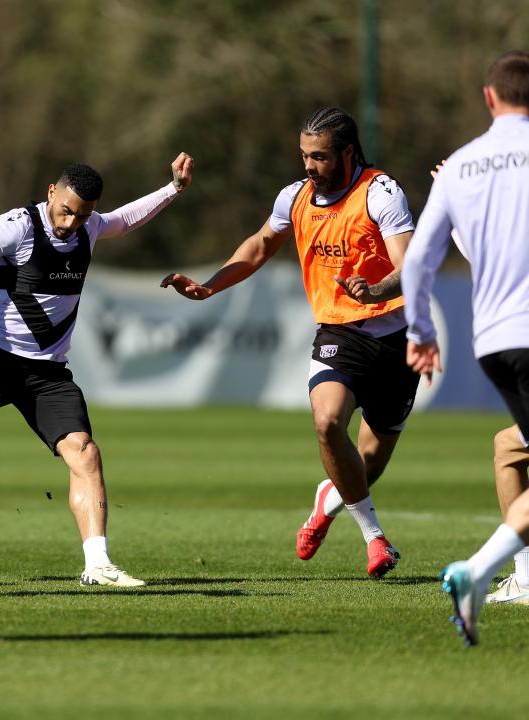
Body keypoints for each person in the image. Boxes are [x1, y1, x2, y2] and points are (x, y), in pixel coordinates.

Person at [0, 153, 193, 586]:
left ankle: (98, 564)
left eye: (82, 215)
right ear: (51, 193)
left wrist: (174, 189)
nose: (72, 222)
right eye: (66, 210)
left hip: (48, 375)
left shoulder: (89, 225)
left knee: (85, 453)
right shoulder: (16, 226)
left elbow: (123, 220)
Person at [162, 107, 418, 579]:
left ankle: (328, 500)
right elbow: (260, 244)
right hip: (339, 332)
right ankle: (375, 539)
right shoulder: (295, 197)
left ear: (347, 152)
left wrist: (378, 289)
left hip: (395, 339)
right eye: (304, 156)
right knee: (327, 423)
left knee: (365, 466)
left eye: (319, 157)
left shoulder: (380, 192)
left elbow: (411, 267)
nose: (309, 166)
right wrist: (209, 286)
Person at [402, 50, 529, 646]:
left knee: (514, 448)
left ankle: (509, 576)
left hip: (494, 341)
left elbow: (420, 259)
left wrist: (420, 333)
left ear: (488, 98)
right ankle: (479, 571)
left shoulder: (461, 167)